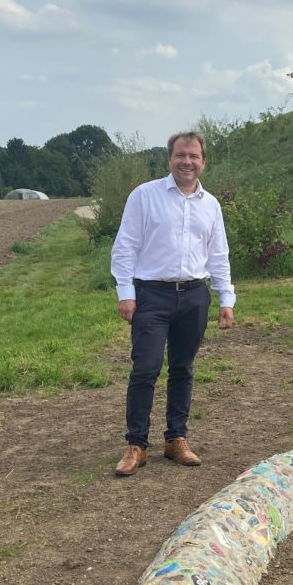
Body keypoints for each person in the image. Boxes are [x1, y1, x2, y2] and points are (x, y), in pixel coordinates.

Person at [110, 131, 235, 475]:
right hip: (151, 295)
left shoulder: (210, 205)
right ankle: (137, 445)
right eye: (181, 155)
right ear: (169, 159)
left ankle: (176, 439)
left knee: (183, 368)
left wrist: (226, 298)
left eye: (194, 156)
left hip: (194, 296)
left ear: (203, 162)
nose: (187, 162)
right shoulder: (144, 196)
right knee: (145, 368)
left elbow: (218, 255)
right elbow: (125, 246)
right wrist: (126, 293)